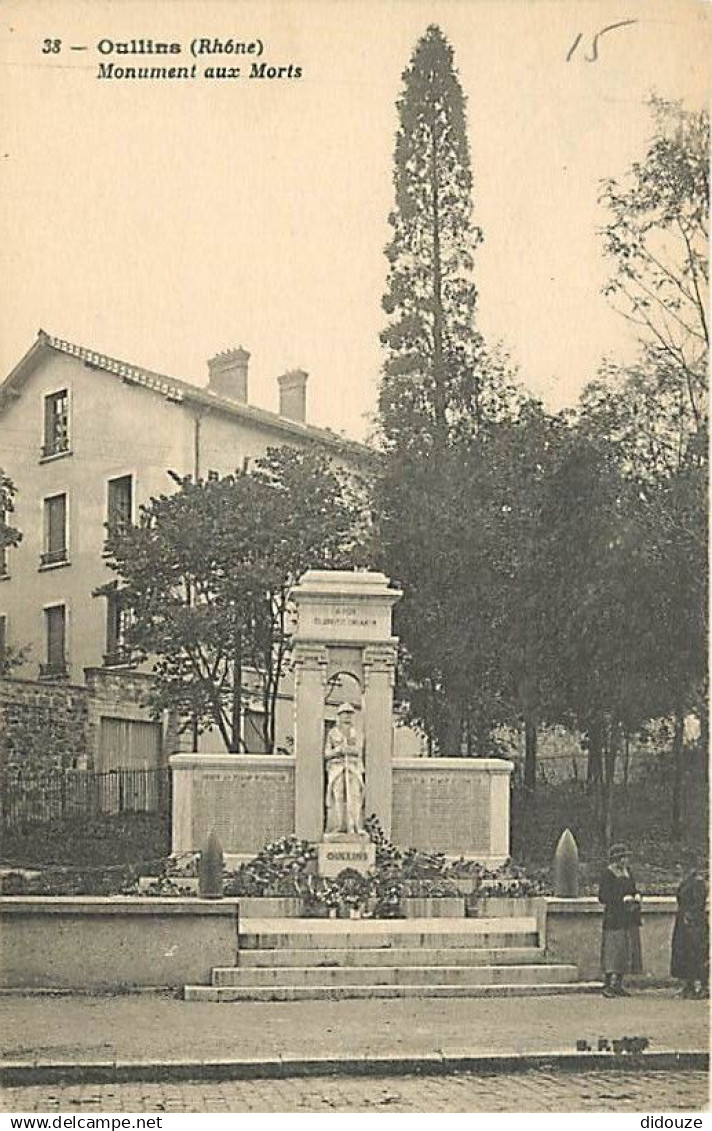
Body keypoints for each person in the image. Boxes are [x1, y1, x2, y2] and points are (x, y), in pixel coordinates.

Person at [598, 842, 642, 998]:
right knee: (613, 950)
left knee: (625, 950)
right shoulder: (608, 874)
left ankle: (619, 984)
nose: (625, 860)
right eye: (622, 857)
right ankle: (608, 984)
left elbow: (633, 888)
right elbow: (602, 896)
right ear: (616, 859)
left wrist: (636, 895)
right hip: (614, 917)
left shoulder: (628, 872)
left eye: (626, 857)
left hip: (628, 916)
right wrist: (621, 899)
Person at [671, 853, 709, 999]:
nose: (679, 868)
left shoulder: (698, 882)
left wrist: (690, 915)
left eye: (681, 865)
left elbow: (699, 902)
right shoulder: (686, 881)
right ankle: (688, 985)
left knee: (697, 952)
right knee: (683, 952)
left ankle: (704, 986)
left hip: (694, 922)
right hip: (683, 920)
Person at [324, 702, 365, 836]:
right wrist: (338, 750)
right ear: (339, 716)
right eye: (344, 714)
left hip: (353, 767)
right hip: (337, 767)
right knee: (338, 795)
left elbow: (358, 750)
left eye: (350, 714)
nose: (347, 717)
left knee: (355, 795)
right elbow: (326, 753)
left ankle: (354, 825)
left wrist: (350, 750)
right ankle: (339, 825)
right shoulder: (332, 733)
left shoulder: (357, 733)